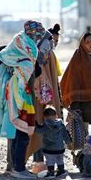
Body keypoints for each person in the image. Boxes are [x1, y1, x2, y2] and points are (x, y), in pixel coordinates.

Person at [0, 20, 45, 179]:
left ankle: (15, 166)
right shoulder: (28, 53)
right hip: (17, 97)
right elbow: (23, 80)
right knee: (21, 132)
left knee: (16, 132)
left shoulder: (15, 44)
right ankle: (19, 168)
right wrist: (22, 100)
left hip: (9, 94)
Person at [27, 23, 63, 163]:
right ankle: (39, 162)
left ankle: (42, 162)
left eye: (56, 41)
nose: (54, 44)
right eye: (53, 41)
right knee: (39, 126)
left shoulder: (48, 55)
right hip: (41, 99)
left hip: (46, 98)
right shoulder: (42, 57)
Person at [36, 105, 72, 178]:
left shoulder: (45, 125)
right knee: (60, 160)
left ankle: (51, 173)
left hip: (49, 148)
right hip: (60, 148)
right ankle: (61, 171)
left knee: (50, 161)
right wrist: (69, 142)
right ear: (56, 115)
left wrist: (35, 124)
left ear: (45, 117)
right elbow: (65, 134)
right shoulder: (61, 124)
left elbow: (39, 130)